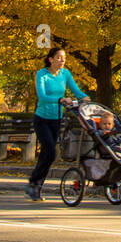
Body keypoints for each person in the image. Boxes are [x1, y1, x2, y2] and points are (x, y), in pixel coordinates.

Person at [26, 47, 87, 200]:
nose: (62, 60)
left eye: (64, 58)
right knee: (50, 152)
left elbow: (76, 91)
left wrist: (85, 98)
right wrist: (60, 100)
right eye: (59, 57)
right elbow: (42, 97)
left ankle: (35, 187)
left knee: (48, 155)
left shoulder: (65, 74)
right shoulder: (42, 74)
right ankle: (34, 182)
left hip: (56, 119)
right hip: (42, 119)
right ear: (50, 59)